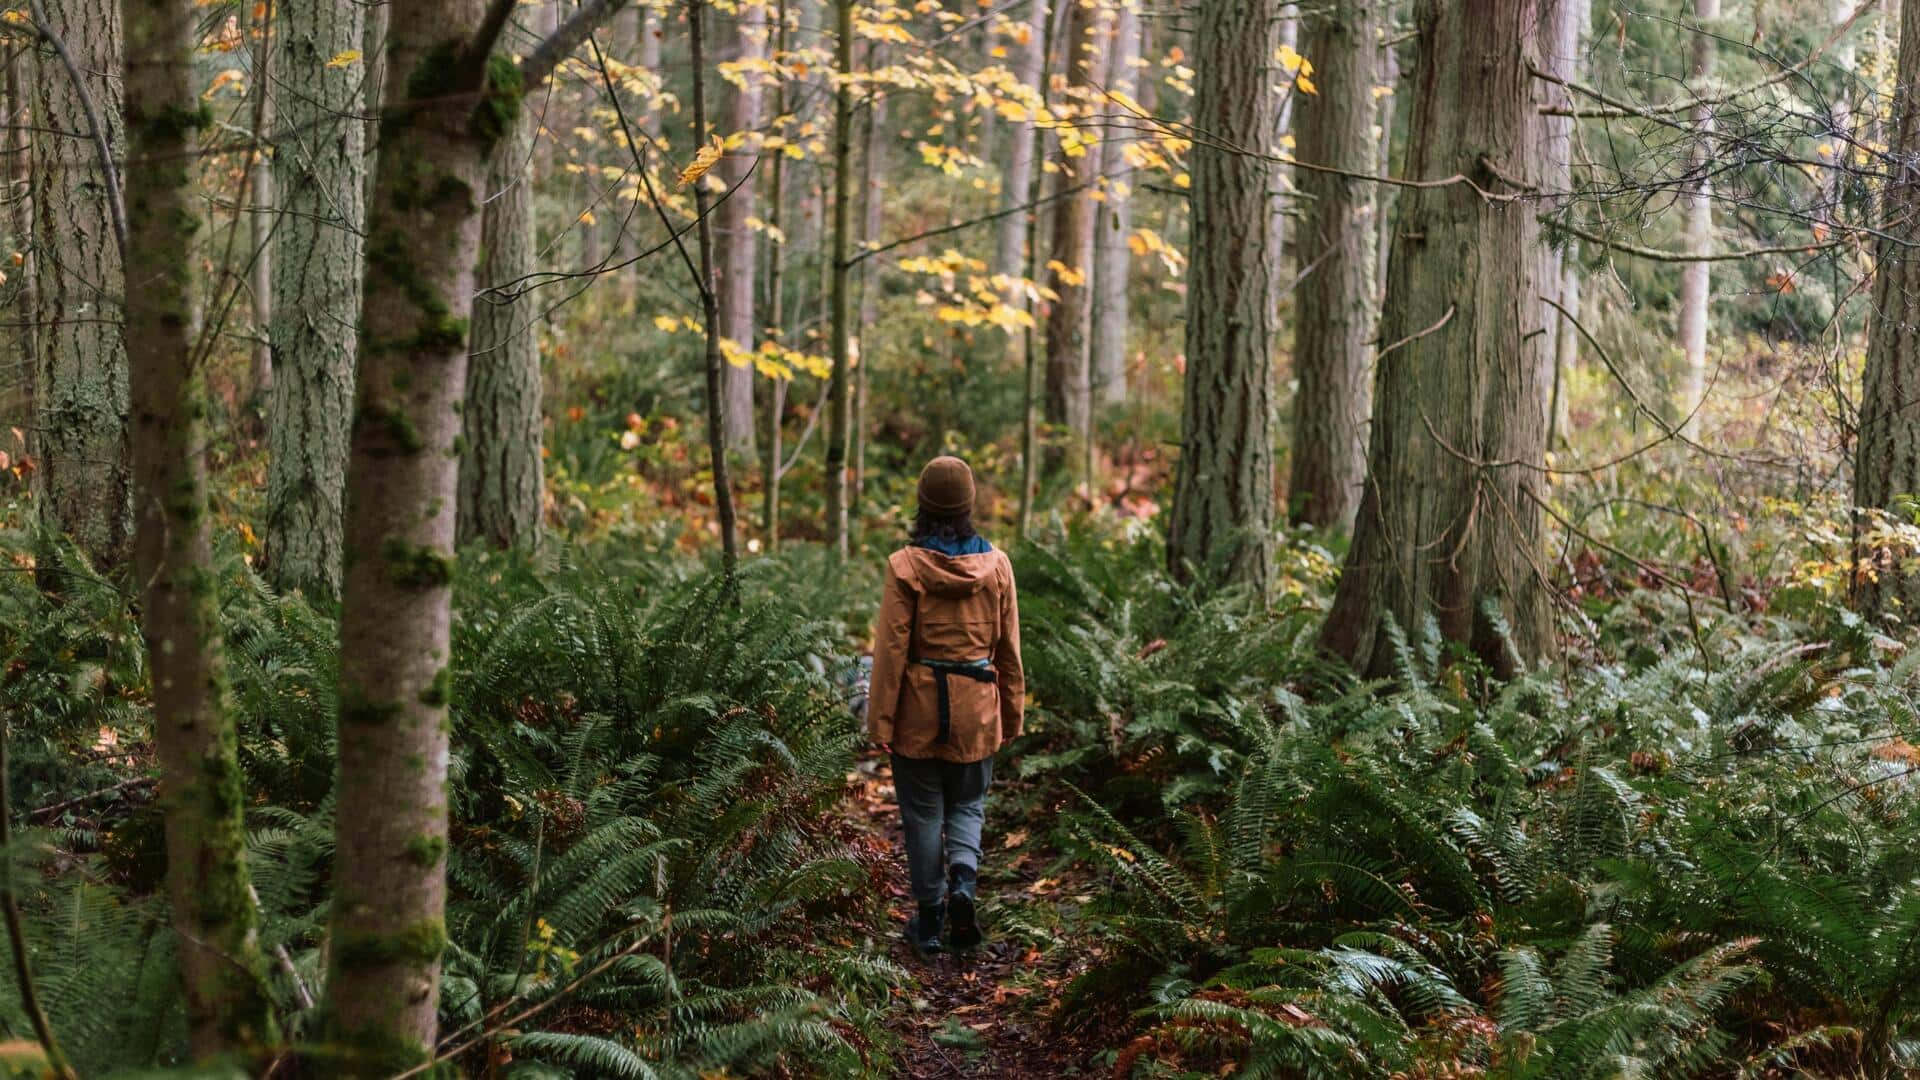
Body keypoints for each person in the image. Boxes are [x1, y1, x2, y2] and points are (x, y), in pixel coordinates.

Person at [867, 456, 1024, 954]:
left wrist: (881, 721)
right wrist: (1012, 712)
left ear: (922, 504)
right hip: (976, 709)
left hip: (917, 708)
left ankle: (930, 919)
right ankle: (963, 881)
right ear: (969, 505)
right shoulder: (997, 567)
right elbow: (1009, 649)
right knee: (968, 804)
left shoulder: (904, 567)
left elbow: (891, 652)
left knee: (921, 813)